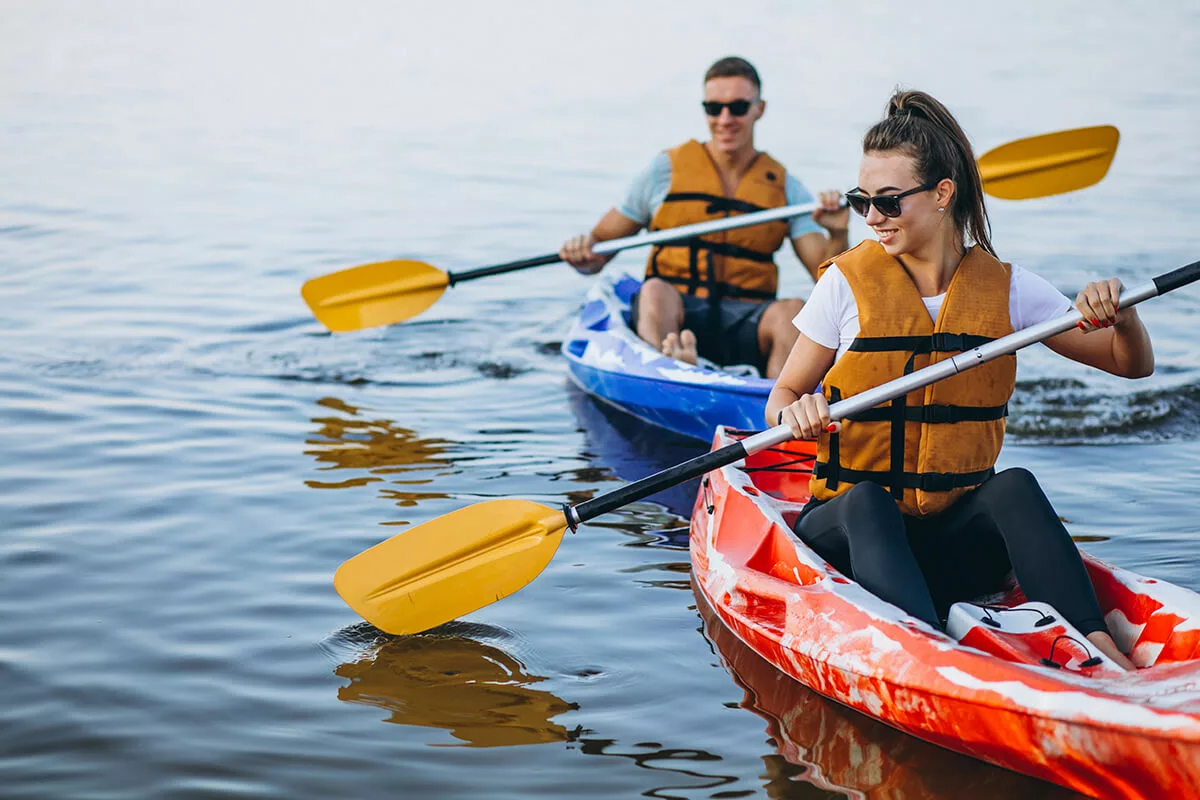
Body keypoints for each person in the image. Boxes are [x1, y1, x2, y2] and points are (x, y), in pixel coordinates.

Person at [765, 89, 1154, 671]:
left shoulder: (1008, 288)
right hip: (850, 538)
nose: (871, 218)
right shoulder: (844, 285)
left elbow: (1130, 364)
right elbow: (782, 397)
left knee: (1014, 485)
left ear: (942, 194)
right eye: (861, 200)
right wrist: (793, 413)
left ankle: (1101, 648)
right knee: (867, 501)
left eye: (888, 202)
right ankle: (926, 657)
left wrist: (1123, 315)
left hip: (954, 546)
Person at [559, 56, 848, 379]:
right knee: (653, 291)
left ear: (759, 109)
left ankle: (778, 408)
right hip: (679, 314)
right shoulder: (663, 171)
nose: (725, 119)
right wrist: (583, 251)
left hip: (746, 321)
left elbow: (829, 286)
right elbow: (598, 253)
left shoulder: (786, 189)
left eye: (738, 107)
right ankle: (669, 372)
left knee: (792, 311)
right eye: (714, 108)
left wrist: (837, 234)